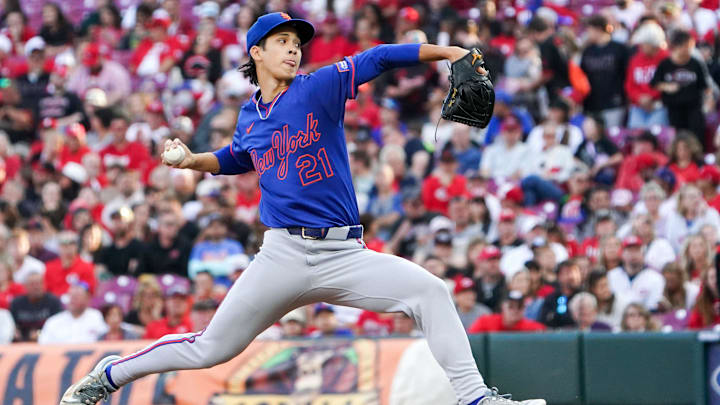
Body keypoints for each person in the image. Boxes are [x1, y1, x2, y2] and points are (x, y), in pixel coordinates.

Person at [61, 12, 546, 405]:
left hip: (345, 253)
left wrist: (448, 52)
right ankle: (108, 376)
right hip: (282, 256)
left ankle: (475, 400)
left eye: (297, 41)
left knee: (431, 292)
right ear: (256, 52)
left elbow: (376, 58)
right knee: (210, 348)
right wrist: (195, 160)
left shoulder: (317, 87)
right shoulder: (251, 114)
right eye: (282, 41)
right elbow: (238, 156)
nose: (294, 48)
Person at [651, 29, 708, 144]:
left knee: (696, 137)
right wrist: (667, 86)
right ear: (677, 46)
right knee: (679, 138)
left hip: (694, 107)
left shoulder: (695, 63)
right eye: (687, 46)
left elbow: (704, 86)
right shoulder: (665, 64)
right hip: (674, 107)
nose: (689, 50)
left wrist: (708, 100)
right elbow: (654, 83)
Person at [607, 236, 665, 311]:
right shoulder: (611, 276)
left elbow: (653, 307)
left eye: (636, 250)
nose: (633, 254)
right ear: (622, 254)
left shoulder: (656, 278)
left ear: (643, 254)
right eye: (629, 250)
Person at [38, 282, 107, 344]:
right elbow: (43, 345)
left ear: (87, 298)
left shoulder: (96, 316)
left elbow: (105, 339)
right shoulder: (54, 321)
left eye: (77, 296)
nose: (73, 299)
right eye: (71, 296)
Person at [9, 270, 62, 342]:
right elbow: (11, 325)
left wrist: (39, 334)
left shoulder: (53, 301)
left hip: (48, 341)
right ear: (25, 286)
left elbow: (59, 325)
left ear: (44, 285)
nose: (36, 287)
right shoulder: (16, 303)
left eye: (39, 283)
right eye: (32, 284)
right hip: (21, 342)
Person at [43, 231, 96, 299]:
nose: (68, 248)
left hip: (77, 304)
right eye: (64, 245)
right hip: (55, 305)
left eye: (71, 244)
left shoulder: (87, 267)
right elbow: (45, 292)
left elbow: (90, 290)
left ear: (76, 246)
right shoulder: (49, 267)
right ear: (58, 247)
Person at [467, 290, 546, 333]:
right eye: (511, 307)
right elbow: (471, 338)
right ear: (503, 307)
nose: (515, 310)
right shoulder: (485, 322)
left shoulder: (533, 328)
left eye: (519, 307)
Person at [538, 260, 582, 329]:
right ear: (559, 277)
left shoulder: (583, 296)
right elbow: (545, 321)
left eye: (575, 272)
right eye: (567, 273)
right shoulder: (551, 299)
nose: (572, 277)